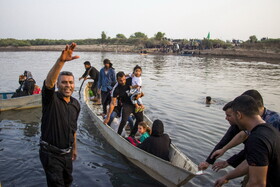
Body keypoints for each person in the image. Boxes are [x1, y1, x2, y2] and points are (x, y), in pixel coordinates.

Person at [214, 95, 280, 187]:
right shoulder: (271, 129)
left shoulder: (256, 139)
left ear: (239, 115)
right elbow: (251, 162)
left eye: (232, 115)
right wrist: (226, 177)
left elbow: (257, 184)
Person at [39, 43, 80, 187]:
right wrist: (61, 61)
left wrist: (74, 148)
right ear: (58, 84)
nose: (68, 85)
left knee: (68, 182)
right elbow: (48, 83)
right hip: (50, 154)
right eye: (63, 82)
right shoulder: (51, 99)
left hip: (67, 154)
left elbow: (73, 128)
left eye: (70, 82)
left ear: (74, 84)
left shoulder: (76, 104)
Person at [198, 101, 242, 171]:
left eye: (229, 116)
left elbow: (249, 152)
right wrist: (208, 162)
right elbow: (223, 142)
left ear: (239, 115)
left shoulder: (256, 131)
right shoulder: (236, 126)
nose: (226, 118)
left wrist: (228, 162)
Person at [103, 71, 143, 136]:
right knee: (124, 120)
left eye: (124, 79)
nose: (123, 82)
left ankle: (132, 135)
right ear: (117, 80)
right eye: (120, 80)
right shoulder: (115, 89)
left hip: (135, 102)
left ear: (125, 77)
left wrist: (140, 94)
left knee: (140, 120)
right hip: (126, 105)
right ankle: (118, 135)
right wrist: (108, 117)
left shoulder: (130, 79)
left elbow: (137, 76)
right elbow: (112, 104)